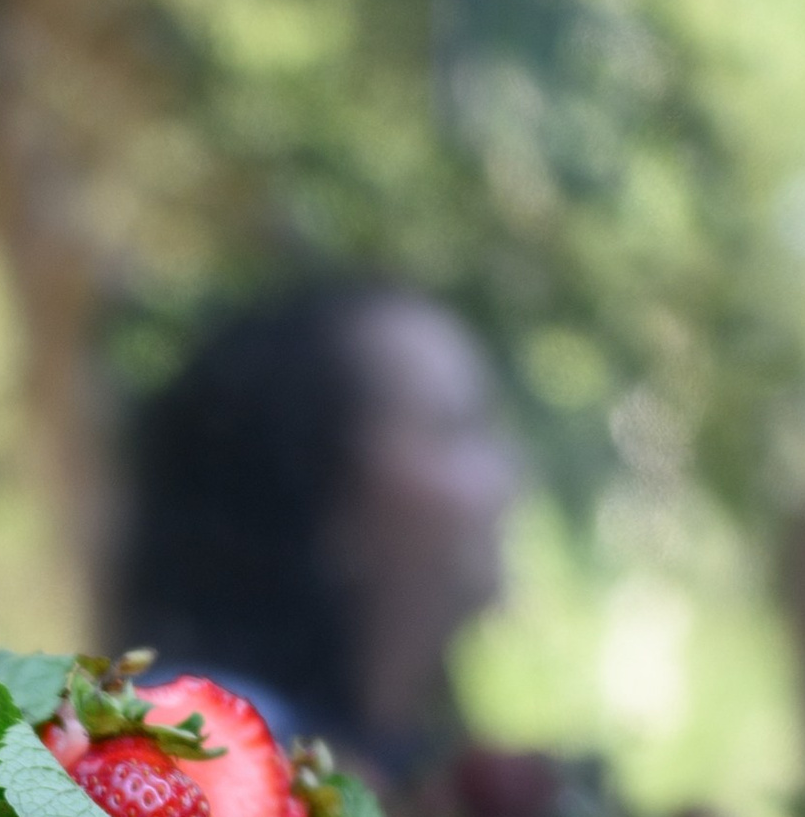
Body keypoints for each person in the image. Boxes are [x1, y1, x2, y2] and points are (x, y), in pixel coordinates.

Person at [112, 279, 521, 779]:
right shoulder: (195, 764)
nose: (508, 473)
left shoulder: (410, 771)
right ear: (327, 499)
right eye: (455, 426)